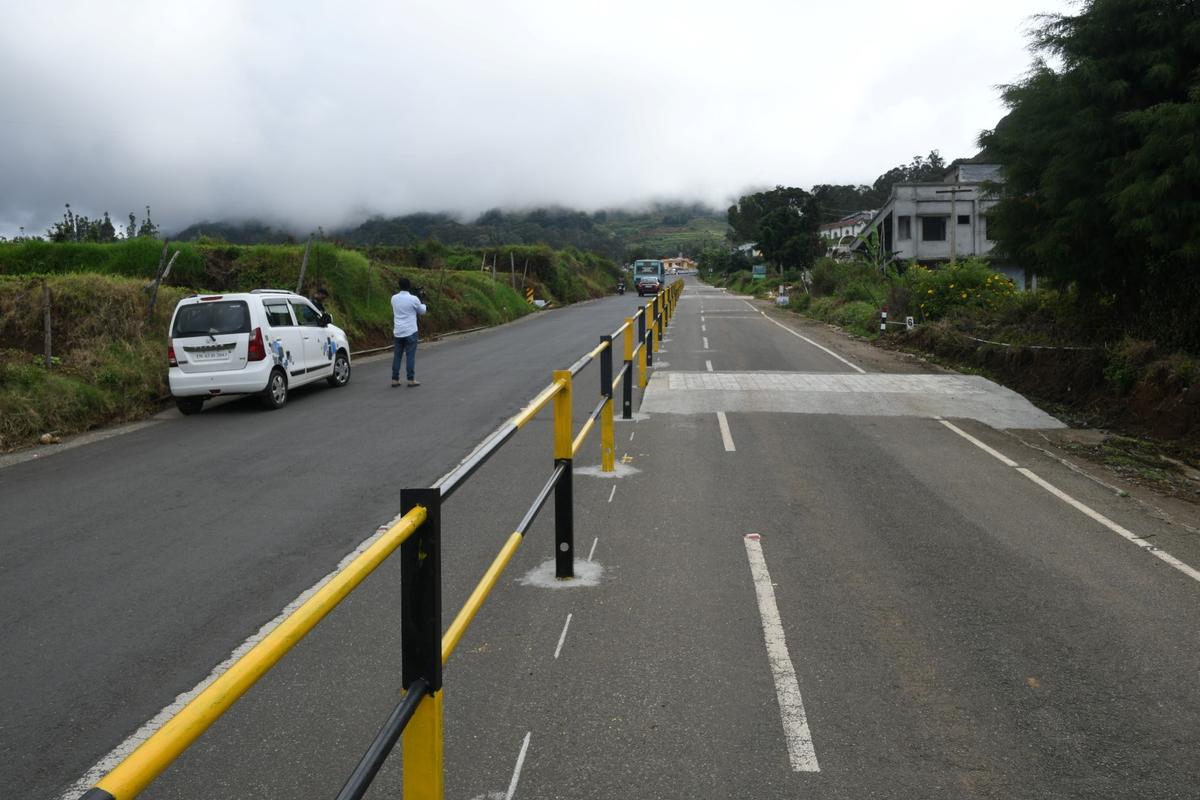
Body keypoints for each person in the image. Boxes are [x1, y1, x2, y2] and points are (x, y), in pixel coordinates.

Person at [390, 278, 427, 387]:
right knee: (410, 356)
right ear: (409, 286)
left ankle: (394, 379)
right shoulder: (414, 299)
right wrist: (422, 300)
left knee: (397, 356)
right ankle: (411, 379)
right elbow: (422, 311)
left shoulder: (393, 298)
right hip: (410, 331)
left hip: (398, 331)